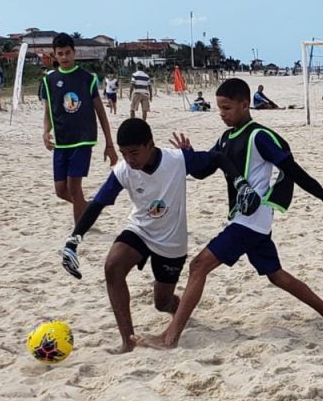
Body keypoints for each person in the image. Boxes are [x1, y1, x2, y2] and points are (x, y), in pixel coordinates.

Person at [132, 78, 323, 350]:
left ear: (244, 104)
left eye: (226, 108)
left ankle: (170, 337)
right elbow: (204, 170)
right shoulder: (226, 138)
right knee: (275, 274)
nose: (222, 114)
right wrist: (188, 154)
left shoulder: (259, 136)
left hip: (251, 219)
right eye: (219, 108)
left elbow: (295, 172)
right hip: (250, 222)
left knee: (199, 265)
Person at [59, 118, 260, 353]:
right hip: (140, 230)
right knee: (113, 266)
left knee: (161, 302)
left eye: (134, 153)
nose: (129, 160)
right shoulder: (124, 171)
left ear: (150, 145)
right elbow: (97, 205)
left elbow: (216, 159)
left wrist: (240, 182)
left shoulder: (176, 160)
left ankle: (178, 310)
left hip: (171, 241)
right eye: (124, 153)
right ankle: (127, 342)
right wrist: (74, 240)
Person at [40, 33, 118, 223]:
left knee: (74, 187)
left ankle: (78, 232)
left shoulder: (86, 79)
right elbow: (49, 110)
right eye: (60, 53)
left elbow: (101, 112)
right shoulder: (49, 81)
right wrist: (45, 131)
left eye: (68, 53)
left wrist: (109, 144)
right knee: (61, 190)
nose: (65, 57)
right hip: (61, 141)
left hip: (83, 139)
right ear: (55, 55)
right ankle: (89, 208)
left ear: (74, 53)